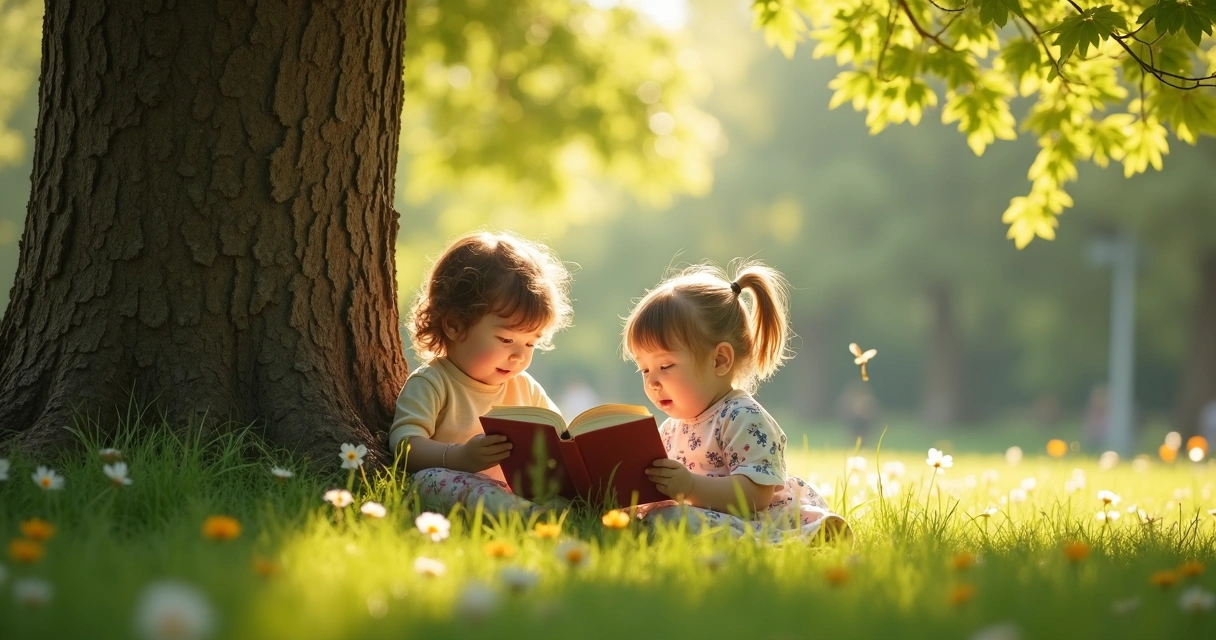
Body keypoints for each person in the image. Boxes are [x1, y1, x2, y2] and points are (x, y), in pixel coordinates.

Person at [622, 260, 850, 542]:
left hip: (750, 521)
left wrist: (690, 487)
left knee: (673, 520)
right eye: (644, 369)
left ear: (720, 360)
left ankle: (789, 541)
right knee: (648, 519)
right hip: (703, 517)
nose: (652, 382)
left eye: (665, 366)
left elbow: (756, 495)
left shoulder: (742, 418)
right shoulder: (670, 429)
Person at [389, 230, 573, 516]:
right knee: (428, 481)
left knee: (562, 497)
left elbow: (561, 438)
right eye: (506, 340)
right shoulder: (434, 382)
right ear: (455, 325)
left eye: (531, 343)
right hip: (457, 483)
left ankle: (545, 514)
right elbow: (404, 446)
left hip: (516, 489)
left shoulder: (525, 387)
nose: (519, 355)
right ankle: (524, 516)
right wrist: (459, 457)